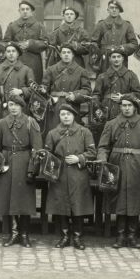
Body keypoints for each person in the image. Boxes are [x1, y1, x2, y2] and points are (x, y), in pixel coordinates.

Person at [97, 95, 140, 249]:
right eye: (123, 105)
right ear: (120, 106)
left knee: (135, 200)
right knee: (120, 199)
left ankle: (132, 235)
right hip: (117, 165)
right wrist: (103, 160)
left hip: (139, 166)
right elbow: (103, 146)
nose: (126, 108)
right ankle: (120, 235)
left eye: (129, 105)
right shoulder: (111, 124)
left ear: (135, 106)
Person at [0, 95, 43, 247]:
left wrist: (32, 169)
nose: (13, 108)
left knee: (24, 201)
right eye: (11, 105)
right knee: (9, 200)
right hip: (7, 163)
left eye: (17, 105)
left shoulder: (30, 122)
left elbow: (37, 148)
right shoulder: (2, 123)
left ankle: (25, 234)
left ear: (22, 106)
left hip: (24, 162)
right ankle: (13, 233)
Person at [45, 104, 97, 250]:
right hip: (59, 174)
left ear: (74, 116)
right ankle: (65, 236)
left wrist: (79, 158)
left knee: (78, 204)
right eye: (62, 114)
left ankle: (78, 236)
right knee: (61, 205)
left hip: (78, 174)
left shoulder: (84, 132)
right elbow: (48, 153)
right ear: (59, 116)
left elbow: (92, 152)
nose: (65, 117)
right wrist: (50, 163)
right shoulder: (53, 133)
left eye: (68, 114)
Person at [0, 41, 35, 138]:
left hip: (20, 110)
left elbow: (33, 90)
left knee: (19, 137)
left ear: (18, 54)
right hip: (1, 110)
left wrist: (21, 91)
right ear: (5, 53)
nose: (11, 54)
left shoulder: (27, 70)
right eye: (8, 51)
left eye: (13, 51)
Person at [40, 44, 91, 135]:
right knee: (54, 132)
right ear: (60, 55)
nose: (66, 55)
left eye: (69, 52)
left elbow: (87, 90)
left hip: (72, 106)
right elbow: (45, 86)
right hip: (54, 106)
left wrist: (75, 96)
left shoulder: (81, 71)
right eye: (64, 52)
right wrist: (43, 89)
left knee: (73, 133)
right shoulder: (51, 69)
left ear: (73, 55)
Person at [92, 48, 140, 138]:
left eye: (119, 57)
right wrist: (99, 110)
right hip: (106, 112)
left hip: (124, 110)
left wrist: (124, 97)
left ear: (123, 58)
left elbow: (137, 94)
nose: (116, 59)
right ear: (110, 59)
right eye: (113, 57)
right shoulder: (102, 76)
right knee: (106, 137)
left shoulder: (131, 75)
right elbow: (96, 95)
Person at [4, 0, 48, 83]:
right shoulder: (12, 25)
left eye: (27, 9)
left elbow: (45, 43)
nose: (25, 11)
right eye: (22, 9)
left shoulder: (39, 26)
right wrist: (17, 45)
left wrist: (30, 44)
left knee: (33, 84)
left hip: (34, 61)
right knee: (15, 83)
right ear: (19, 11)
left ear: (31, 11)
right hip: (16, 60)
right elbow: (6, 42)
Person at [91, 0, 138, 71]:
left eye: (116, 8)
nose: (114, 10)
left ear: (119, 10)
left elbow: (134, 44)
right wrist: (100, 53)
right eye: (112, 8)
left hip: (120, 59)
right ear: (108, 10)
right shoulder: (101, 25)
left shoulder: (127, 25)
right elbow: (93, 43)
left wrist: (123, 48)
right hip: (104, 61)